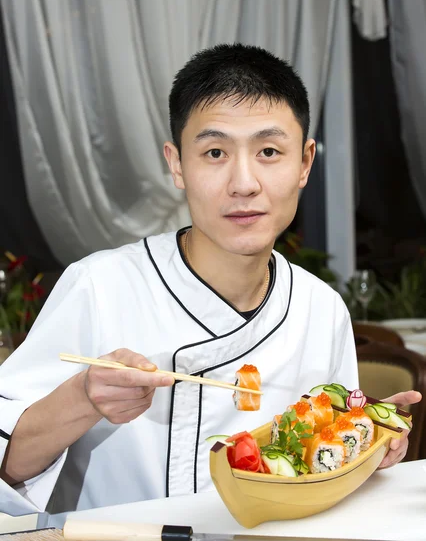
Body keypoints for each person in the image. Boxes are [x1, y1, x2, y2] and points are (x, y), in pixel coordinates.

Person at [0, 44, 420, 517]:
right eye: (215, 152)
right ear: (177, 163)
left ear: (304, 163)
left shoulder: (321, 309)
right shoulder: (99, 286)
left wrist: (364, 448)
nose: (243, 183)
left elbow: (319, 477)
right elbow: (6, 470)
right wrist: (82, 398)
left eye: (268, 151)